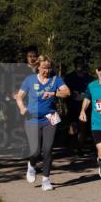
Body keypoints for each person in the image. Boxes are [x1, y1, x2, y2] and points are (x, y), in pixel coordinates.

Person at [14, 54, 70, 191]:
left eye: (49, 68)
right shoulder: (30, 79)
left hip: (50, 118)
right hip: (32, 119)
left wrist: (54, 93)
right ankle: (31, 165)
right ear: (38, 67)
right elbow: (19, 96)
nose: (47, 70)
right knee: (35, 151)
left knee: (48, 149)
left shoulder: (55, 79)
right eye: (44, 68)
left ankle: (46, 180)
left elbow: (67, 92)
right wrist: (22, 108)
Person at [65, 56, 93, 155]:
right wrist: (70, 96)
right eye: (77, 63)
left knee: (82, 128)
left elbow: (92, 92)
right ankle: (72, 145)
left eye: (81, 63)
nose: (79, 65)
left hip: (85, 107)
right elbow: (64, 91)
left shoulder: (89, 78)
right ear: (74, 64)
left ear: (84, 64)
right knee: (72, 129)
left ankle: (79, 148)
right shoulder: (69, 77)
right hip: (72, 106)